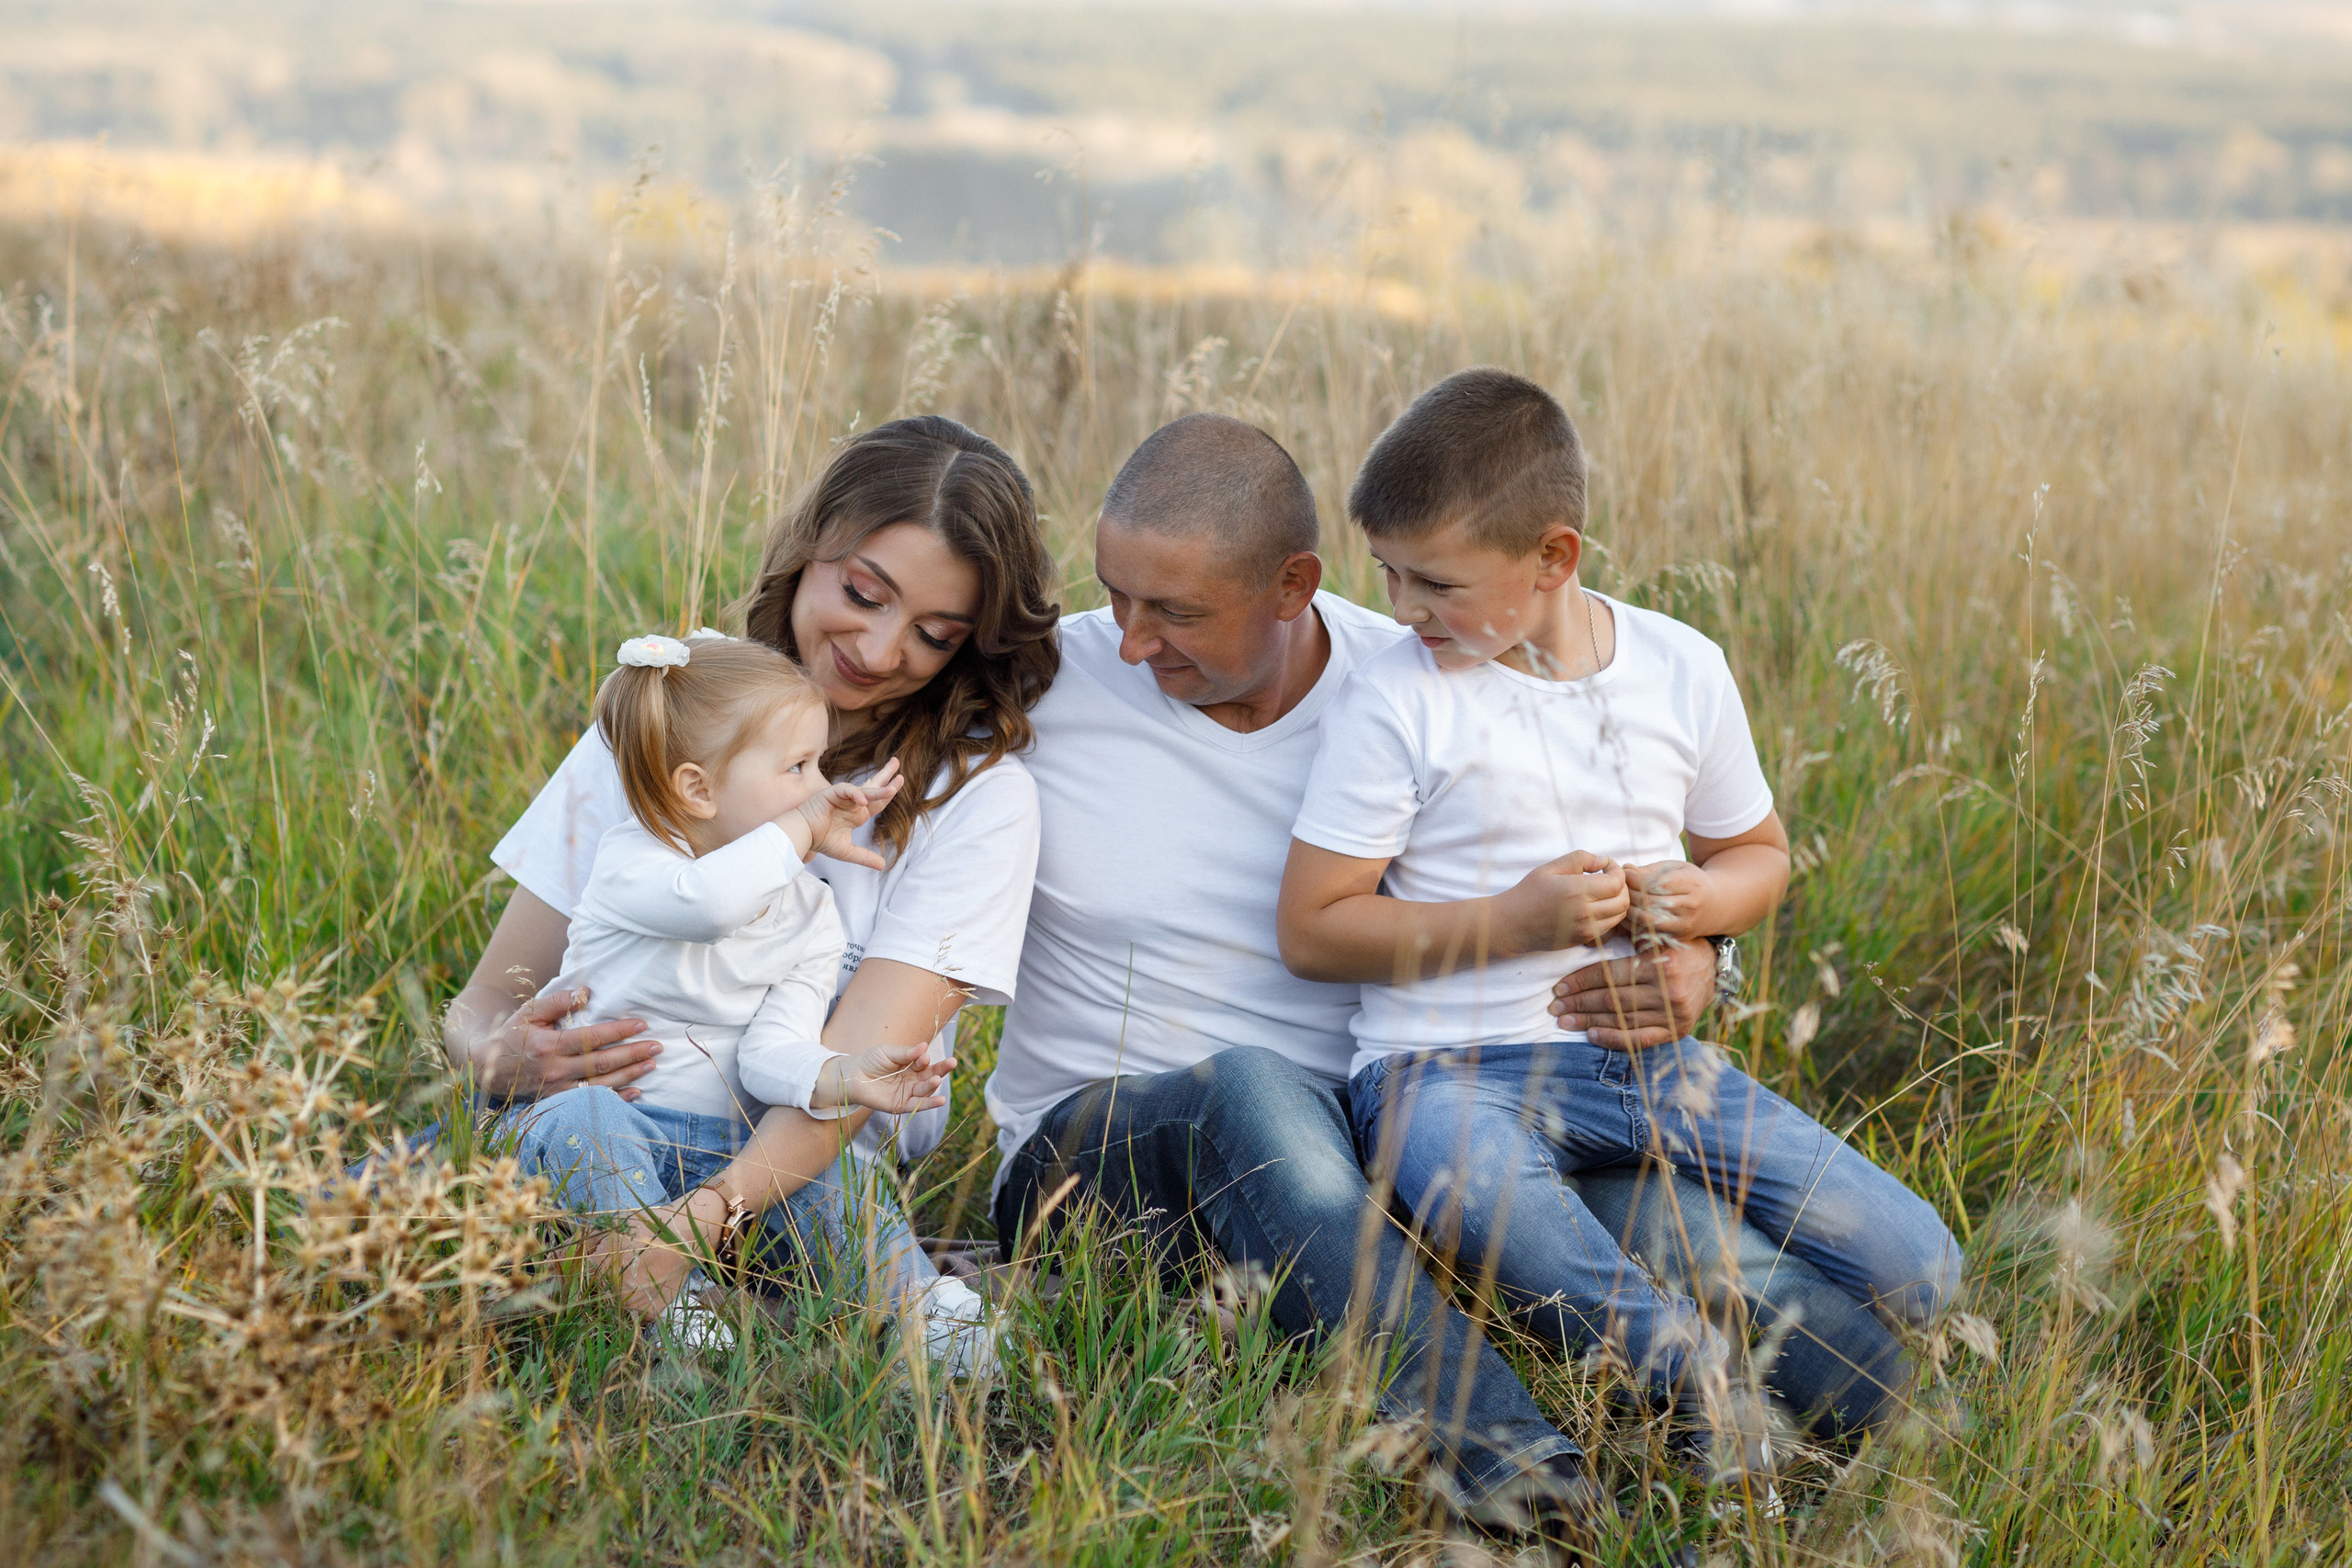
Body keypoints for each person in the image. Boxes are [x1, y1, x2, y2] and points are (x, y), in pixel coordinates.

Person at [984, 412, 1915, 1540]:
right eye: (1113, 594)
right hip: (1105, 1164)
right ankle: (1538, 1496)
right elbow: (806, 741)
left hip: (1408, 1135)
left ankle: (1926, 1432)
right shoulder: (1040, 684)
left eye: (1174, 612)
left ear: (1293, 586)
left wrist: (1693, 955)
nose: (1129, 641)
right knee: (1253, 1090)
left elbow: (1592, 870)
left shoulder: (1427, 671)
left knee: (1688, 1242)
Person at [1275, 369, 1964, 1497]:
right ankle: (1694, 1389)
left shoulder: (1679, 667)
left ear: (1554, 558)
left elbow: (1758, 853)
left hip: (1643, 1061)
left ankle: (1845, 1386)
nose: (1400, 609)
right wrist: (1513, 922)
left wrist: (1707, 907)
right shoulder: (1397, 699)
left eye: (1436, 582)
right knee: (1485, 1195)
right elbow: (1315, 927)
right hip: (1439, 1072)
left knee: (1920, 1265)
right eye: (1387, 572)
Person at [445, 415, 1058, 1345]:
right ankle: (661, 1297)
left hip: (794, 1181)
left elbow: (830, 1087)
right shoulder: (676, 708)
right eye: (863, 593)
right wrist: (497, 1058)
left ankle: (677, 1294)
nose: (882, 650)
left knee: (835, 1208)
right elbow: (485, 1000)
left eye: (933, 634)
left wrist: (701, 1220)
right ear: (810, 548)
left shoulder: (977, 800)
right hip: (596, 1139)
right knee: (364, 1204)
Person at [506, 628, 987, 1361]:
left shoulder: (809, 911)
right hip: (597, 1125)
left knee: (832, 1183)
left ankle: (926, 1311)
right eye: (797, 767)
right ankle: (666, 1295)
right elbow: (709, 904)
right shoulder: (634, 860)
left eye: (820, 764)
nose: (820, 788)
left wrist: (845, 1075)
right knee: (587, 1117)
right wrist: (802, 828)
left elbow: (772, 1052)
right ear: (697, 788)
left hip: (723, 1158)